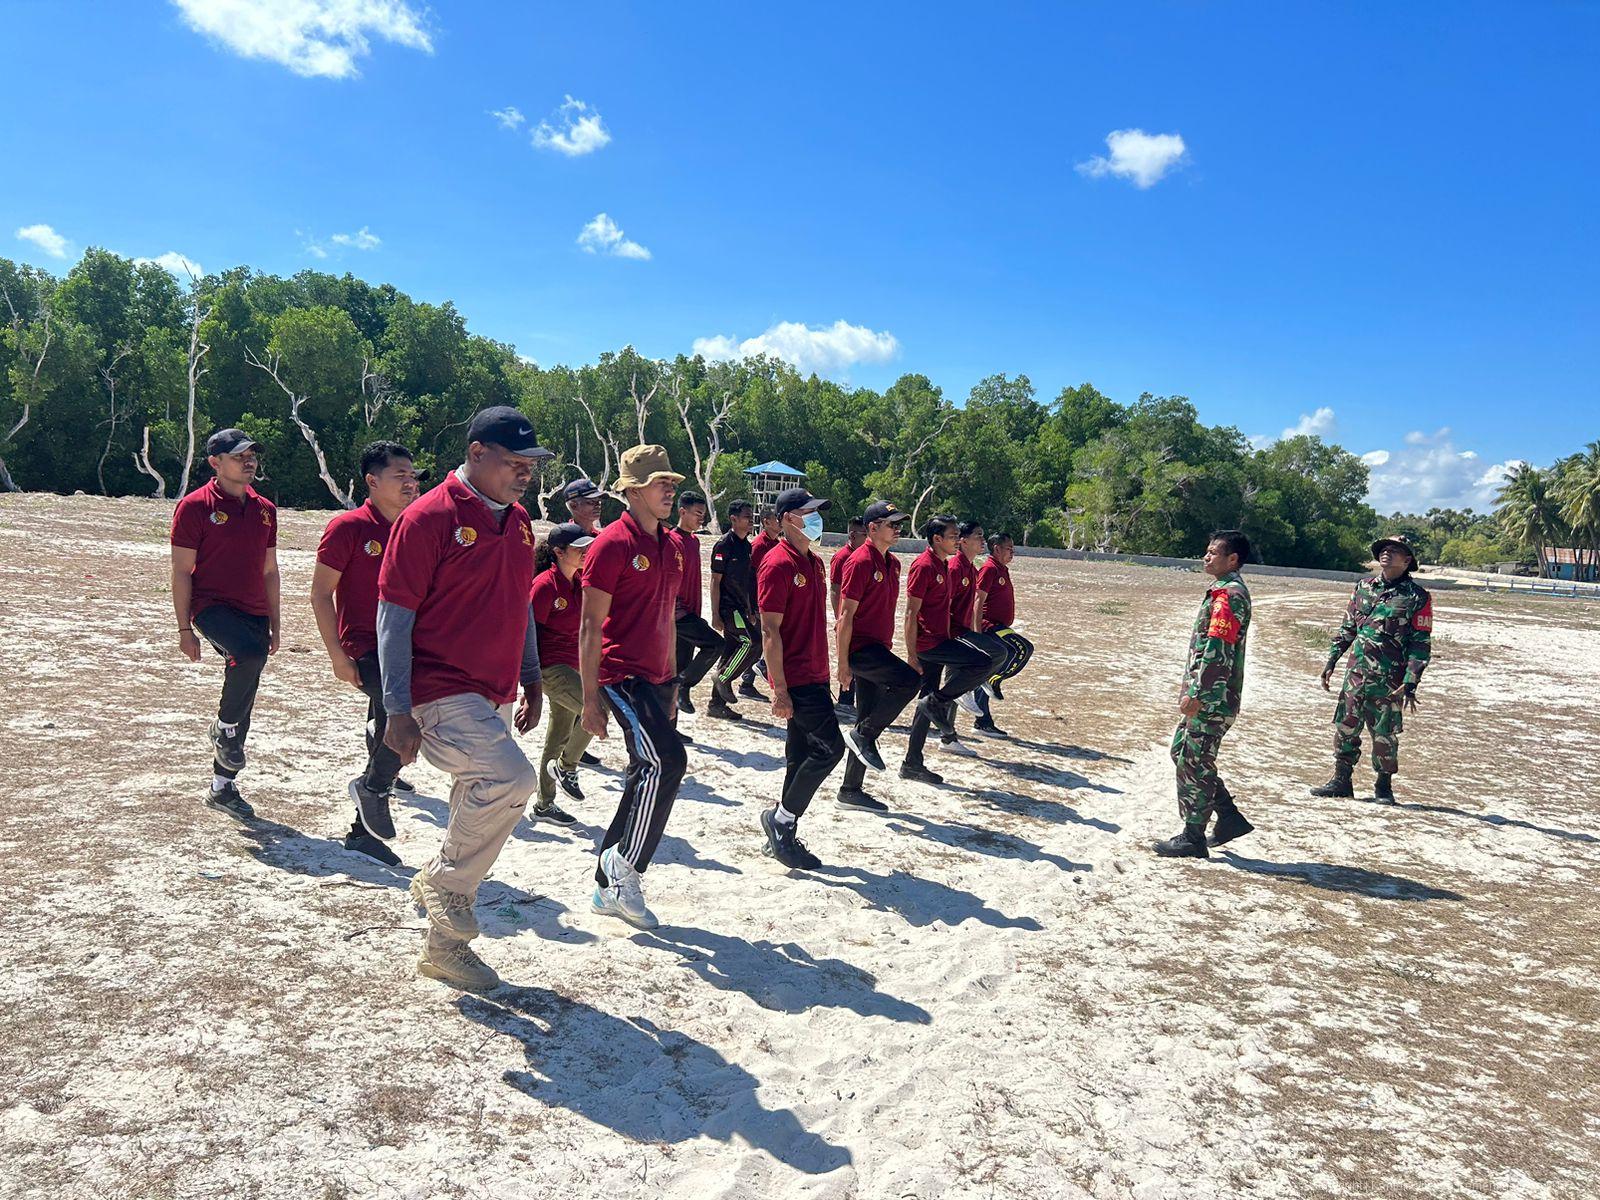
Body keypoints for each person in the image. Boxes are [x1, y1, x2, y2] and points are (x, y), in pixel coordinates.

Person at [378, 406, 551, 991]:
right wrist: (396, 710)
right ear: (477, 453)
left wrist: (531, 676)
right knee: (511, 780)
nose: (525, 473)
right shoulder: (428, 518)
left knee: (472, 807)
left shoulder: (522, 522)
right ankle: (446, 883)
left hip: (494, 690)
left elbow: (519, 604)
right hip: (438, 690)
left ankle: (443, 949)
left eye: (531, 464)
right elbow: (393, 619)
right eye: (514, 462)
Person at [579, 444, 687, 930]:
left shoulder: (671, 544)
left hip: (659, 680)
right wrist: (588, 700)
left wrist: (672, 687)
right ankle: (626, 867)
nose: (670, 490)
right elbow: (588, 626)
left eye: (671, 482)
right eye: (661, 483)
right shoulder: (610, 545)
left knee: (645, 772)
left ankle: (606, 891)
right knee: (668, 761)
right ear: (633, 490)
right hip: (619, 676)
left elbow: (666, 617)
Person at [310, 441, 421, 864]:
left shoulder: (418, 526)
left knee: (392, 728)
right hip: (366, 647)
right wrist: (337, 655)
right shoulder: (349, 528)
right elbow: (321, 594)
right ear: (372, 482)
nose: (411, 483)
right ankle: (372, 788)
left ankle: (361, 833)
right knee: (410, 714)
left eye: (413, 476)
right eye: (401, 476)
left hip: (412, 646)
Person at [170, 428, 281, 819]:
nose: (249, 461)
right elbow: (182, 571)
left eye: (252, 455)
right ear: (215, 463)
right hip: (210, 606)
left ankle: (222, 785)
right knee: (247, 655)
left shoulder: (266, 508)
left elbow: (270, 571)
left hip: (254, 610)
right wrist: (185, 629)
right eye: (239, 456)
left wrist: (277, 623)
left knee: (246, 685)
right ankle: (223, 727)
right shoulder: (195, 506)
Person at [756, 487, 844, 870]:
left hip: (816, 673)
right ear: (789, 518)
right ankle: (781, 820)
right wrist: (780, 690)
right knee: (830, 749)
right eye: (809, 512)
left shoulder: (815, 562)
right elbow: (769, 631)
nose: (815, 518)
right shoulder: (777, 564)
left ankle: (781, 832)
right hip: (797, 678)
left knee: (799, 755)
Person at [1309, 533, 1433, 804]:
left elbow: (1420, 643)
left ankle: (1383, 787)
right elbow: (1348, 628)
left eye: (1394, 550)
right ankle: (1341, 780)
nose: (1386, 553)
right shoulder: (1363, 587)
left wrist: (1412, 680)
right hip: (1356, 674)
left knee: (1384, 734)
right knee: (1345, 727)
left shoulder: (1417, 597)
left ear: (1407, 560)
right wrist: (1331, 660)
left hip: (1390, 679)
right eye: (1383, 549)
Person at [1153, 530, 1254, 859]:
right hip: (1211, 694)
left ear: (1232, 559)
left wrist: (1198, 692)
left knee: (1193, 760)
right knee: (1183, 753)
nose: (1206, 557)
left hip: (1213, 698)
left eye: (1213, 553)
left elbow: (1217, 648)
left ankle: (1193, 836)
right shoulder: (1222, 590)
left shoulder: (1230, 594)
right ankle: (1227, 816)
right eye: (1206, 551)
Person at [834, 501, 921, 812]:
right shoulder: (859, 562)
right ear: (872, 529)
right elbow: (845, 616)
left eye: (899, 524)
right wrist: (843, 664)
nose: (897, 529)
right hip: (860, 650)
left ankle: (850, 790)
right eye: (891, 524)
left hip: (878, 649)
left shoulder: (893, 563)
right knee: (911, 681)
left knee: (866, 716)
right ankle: (863, 735)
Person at [899, 516, 994, 785]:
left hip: (940, 639)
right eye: (953, 536)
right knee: (982, 663)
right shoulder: (924, 565)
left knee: (925, 702)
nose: (957, 540)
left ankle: (912, 763)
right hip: (930, 644)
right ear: (937, 539)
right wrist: (911, 654)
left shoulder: (942, 563)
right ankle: (939, 701)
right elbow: (910, 612)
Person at [530, 522, 597, 824]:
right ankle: (567, 766)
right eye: (579, 548)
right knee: (596, 711)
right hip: (550, 669)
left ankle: (544, 805)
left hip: (573, 666)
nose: (585, 552)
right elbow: (527, 633)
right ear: (559, 552)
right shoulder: (545, 585)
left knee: (557, 736)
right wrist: (529, 685)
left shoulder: (579, 582)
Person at [946, 520, 1012, 742]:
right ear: (963, 541)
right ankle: (944, 736)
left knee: (952, 689)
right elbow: (947, 604)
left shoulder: (971, 569)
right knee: (946, 690)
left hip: (963, 634)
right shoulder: (955, 567)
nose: (983, 540)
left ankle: (948, 736)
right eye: (978, 536)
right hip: (953, 636)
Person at [669, 491, 723, 718]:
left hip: (691, 610)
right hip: (677, 614)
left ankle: (670, 730)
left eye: (703, 514)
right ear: (682, 512)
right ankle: (685, 684)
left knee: (680, 667)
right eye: (698, 513)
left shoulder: (693, 540)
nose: (702, 518)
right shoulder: (671, 540)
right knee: (715, 645)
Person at [707, 500, 757, 719]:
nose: (750, 521)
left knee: (730, 651)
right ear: (733, 519)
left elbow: (748, 582)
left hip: (743, 608)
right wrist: (715, 613)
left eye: (751, 516)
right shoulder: (723, 545)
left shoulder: (746, 546)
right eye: (747, 516)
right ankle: (724, 678)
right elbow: (715, 581)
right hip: (728, 609)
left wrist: (752, 609)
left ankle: (715, 705)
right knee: (752, 643)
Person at [975, 533, 1033, 708]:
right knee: (1023, 648)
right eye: (1009, 549)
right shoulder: (989, 568)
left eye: (1013, 549)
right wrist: (976, 633)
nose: (1012, 553)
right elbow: (978, 601)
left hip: (1000, 626)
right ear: (997, 549)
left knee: (993, 665)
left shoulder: (1002, 569)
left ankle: (983, 720)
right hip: (989, 626)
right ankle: (993, 680)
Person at [829, 516, 868, 713]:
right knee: (848, 659)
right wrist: (840, 619)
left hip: (862, 619)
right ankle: (845, 700)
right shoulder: (842, 557)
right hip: (848, 618)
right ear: (853, 535)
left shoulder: (866, 557)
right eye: (865, 535)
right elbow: (835, 589)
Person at [742, 509, 782, 699]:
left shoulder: (776, 543)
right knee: (760, 641)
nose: (780, 522)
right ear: (766, 522)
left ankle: (747, 680)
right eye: (776, 519)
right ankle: (752, 674)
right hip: (760, 602)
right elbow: (750, 578)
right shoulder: (759, 545)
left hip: (772, 601)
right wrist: (752, 606)